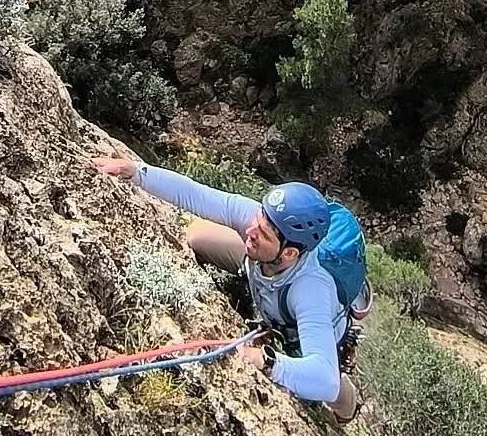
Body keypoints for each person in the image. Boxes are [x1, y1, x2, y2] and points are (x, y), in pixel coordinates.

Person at [93, 155, 361, 421]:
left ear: (290, 253)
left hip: (300, 334)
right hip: (266, 268)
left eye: (263, 234)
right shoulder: (262, 227)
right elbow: (196, 194)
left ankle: (348, 408)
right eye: (258, 219)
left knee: (327, 389)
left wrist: (268, 361)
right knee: (197, 235)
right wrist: (136, 171)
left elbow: (325, 381)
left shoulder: (311, 291)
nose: (250, 230)